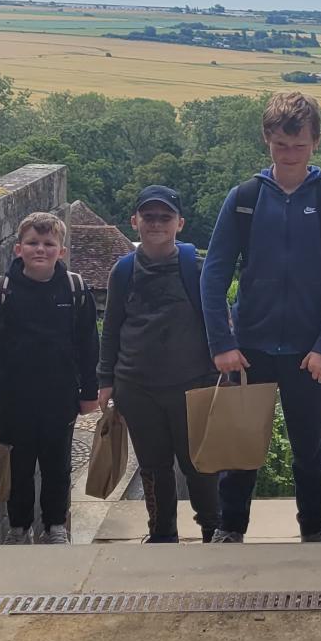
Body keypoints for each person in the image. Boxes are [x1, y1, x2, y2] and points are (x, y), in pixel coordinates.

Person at [201, 92, 321, 543]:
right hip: (250, 348)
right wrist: (221, 343)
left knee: (310, 447)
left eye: (299, 145)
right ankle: (230, 528)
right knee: (241, 445)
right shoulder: (244, 199)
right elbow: (213, 274)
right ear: (266, 139)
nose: (289, 154)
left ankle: (314, 527)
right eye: (281, 145)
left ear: (315, 142)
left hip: (310, 352)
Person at [98, 185, 221, 544]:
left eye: (164, 217)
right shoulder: (123, 271)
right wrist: (105, 380)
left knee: (200, 462)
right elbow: (112, 327)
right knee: (153, 466)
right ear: (134, 221)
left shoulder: (196, 269)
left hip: (192, 383)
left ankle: (212, 528)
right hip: (136, 386)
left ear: (179, 223)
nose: (156, 223)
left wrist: (220, 373)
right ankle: (162, 532)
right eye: (148, 216)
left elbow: (218, 322)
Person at [0, 212, 100, 545]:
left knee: (58, 463)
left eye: (48, 243)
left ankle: (55, 525)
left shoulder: (75, 289)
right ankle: (19, 526)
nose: (40, 249)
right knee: (18, 464)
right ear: (18, 249)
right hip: (12, 396)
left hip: (60, 394)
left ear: (62, 251)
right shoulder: (2, 291)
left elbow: (88, 344)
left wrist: (90, 391)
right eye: (32, 243)